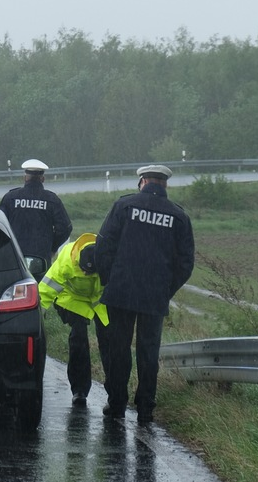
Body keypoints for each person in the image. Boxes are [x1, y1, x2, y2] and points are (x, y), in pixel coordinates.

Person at [90, 164, 195, 425]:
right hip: (154, 295)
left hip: (121, 291)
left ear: (143, 181)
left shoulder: (124, 207)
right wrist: (166, 290)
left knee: (119, 349)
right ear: (165, 184)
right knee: (148, 352)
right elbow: (185, 263)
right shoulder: (178, 216)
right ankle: (146, 408)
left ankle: (116, 404)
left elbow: (103, 248)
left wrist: (108, 280)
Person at [39, 232, 109, 406]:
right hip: (72, 299)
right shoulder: (67, 262)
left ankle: (115, 395)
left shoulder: (109, 260)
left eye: (90, 272)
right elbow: (45, 290)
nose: (85, 273)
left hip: (101, 301)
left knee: (111, 343)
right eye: (83, 269)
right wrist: (36, 314)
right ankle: (79, 390)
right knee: (79, 338)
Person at [0, 158, 73, 264]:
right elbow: (65, 228)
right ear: (42, 179)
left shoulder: (10, 198)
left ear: (25, 178)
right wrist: (52, 247)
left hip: (15, 257)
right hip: (41, 258)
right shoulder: (52, 200)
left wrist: (7, 247)